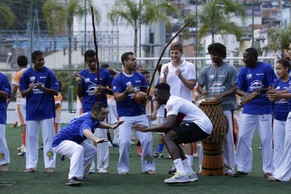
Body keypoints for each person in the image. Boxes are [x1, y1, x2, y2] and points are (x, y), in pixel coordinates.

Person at [133, 83, 212, 184]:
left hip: (202, 125)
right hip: (203, 126)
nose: (155, 98)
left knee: (168, 137)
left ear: (164, 94)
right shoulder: (169, 104)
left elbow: (169, 125)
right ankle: (189, 172)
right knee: (171, 138)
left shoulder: (172, 102)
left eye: (156, 95)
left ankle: (181, 173)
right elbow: (169, 127)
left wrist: (147, 129)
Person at [52, 102, 124, 186]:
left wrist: (111, 126)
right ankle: (73, 177)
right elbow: (85, 130)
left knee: (92, 150)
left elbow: (98, 123)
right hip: (60, 142)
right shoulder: (88, 120)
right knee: (78, 149)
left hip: (71, 141)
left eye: (106, 114)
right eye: (103, 114)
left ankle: (81, 173)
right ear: (95, 114)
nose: (105, 116)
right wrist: (96, 139)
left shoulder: (92, 117)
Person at [234, 47, 277, 178]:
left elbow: (273, 86)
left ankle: (268, 169)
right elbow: (238, 89)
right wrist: (248, 94)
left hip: (265, 108)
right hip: (249, 108)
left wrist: (261, 90)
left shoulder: (266, 68)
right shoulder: (243, 70)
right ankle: (243, 168)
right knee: (242, 137)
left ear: (253, 57)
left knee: (265, 139)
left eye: (246, 56)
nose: (243, 59)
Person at [196, 42, 238, 176]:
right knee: (205, 135)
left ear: (222, 55)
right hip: (209, 109)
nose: (213, 57)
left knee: (227, 137)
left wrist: (222, 95)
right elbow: (199, 86)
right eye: (211, 54)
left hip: (225, 108)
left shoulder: (231, 69)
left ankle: (230, 167)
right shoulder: (206, 69)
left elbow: (234, 88)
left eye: (215, 54)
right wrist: (203, 92)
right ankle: (202, 165)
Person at [112, 51, 156, 175]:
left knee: (147, 140)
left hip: (140, 115)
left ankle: (148, 167)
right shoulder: (118, 79)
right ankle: (123, 168)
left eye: (135, 59)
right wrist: (126, 93)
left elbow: (146, 94)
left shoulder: (140, 77)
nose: (135, 62)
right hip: (125, 116)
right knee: (124, 142)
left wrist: (148, 98)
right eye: (132, 60)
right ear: (125, 62)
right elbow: (116, 97)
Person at [20, 50, 59, 173]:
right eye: (39, 60)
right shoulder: (27, 74)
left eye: (43, 59)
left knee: (48, 139)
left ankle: (49, 165)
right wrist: (30, 89)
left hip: (47, 112)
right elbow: (22, 93)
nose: (41, 62)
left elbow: (56, 91)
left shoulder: (49, 73)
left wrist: (43, 88)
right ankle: (31, 165)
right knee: (31, 140)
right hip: (32, 112)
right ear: (33, 61)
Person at [160, 42, 196, 171]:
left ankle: (190, 164)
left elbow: (192, 86)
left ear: (182, 53)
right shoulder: (165, 66)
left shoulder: (189, 66)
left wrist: (181, 76)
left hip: (185, 106)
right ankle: (177, 164)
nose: (174, 56)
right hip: (170, 107)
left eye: (176, 53)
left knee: (188, 136)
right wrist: (164, 76)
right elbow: (161, 88)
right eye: (172, 53)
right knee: (170, 136)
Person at [75, 50, 113, 174]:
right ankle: (89, 166)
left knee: (101, 137)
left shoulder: (105, 73)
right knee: (86, 138)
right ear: (85, 61)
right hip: (87, 111)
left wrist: (104, 89)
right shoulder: (82, 74)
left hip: (101, 111)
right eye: (90, 61)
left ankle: (102, 166)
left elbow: (114, 91)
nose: (92, 63)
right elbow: (80, 94)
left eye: (94, 61)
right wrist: (79, 84)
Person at [267, 59, 290, 170]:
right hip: (278, 117)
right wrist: (270, 95)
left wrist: (279, 95)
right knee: (277, 146)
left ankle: (287, 170)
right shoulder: (275, 83)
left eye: (280, 68)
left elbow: (284, 94)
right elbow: (271, 97)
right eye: (276, 69)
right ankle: (277, 170)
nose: (277, 71)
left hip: (288, 117)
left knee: (288, 145)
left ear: (287, 68)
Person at [10, 55, 28, 156]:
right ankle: (27, 145)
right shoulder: (31, 71)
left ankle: (24, 147)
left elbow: (14, 89)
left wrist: (8, 100)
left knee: (24, 124)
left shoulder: (18, 74)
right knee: (30, 123)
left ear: (18, 64)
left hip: (21, 100)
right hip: (31, 100)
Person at [0, 72, 11, 172]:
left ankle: (4, 163)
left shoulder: (3, 77)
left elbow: (6, 95)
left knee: (0, 138)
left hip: (0, 111)